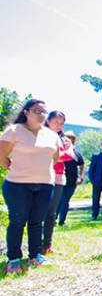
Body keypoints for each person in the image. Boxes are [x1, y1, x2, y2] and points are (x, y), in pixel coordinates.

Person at [0, 100, 61, 274]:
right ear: (26, 112)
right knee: (17, 222)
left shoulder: (51, 135)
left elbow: (54, 159)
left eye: (44, 111)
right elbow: (2, 155)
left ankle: (36, 255)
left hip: (44, 185)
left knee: (36, 222)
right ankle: (14, 258)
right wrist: (14, 166)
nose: (41, 114)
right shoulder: (14, 131)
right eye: (37, 110)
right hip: (18, 185)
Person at [42, 111, 74, 254]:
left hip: (58, 178)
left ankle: (46, 245)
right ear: (48, 121)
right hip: (39, 176)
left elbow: (68, 155)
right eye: (56, 122)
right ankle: (34, 245)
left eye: (62, 123)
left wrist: (51, 154)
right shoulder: (39, 135)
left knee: (51, 212)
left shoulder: (65, 140)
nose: (59, 125)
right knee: (37, 212)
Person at [57, 131, 85, 226]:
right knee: (58, 200)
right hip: (59, 180)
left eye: (72, 138)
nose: (70, 139)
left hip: (72, 181)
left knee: (65, 200)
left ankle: (61, 221)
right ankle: (53, 220)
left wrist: (81, 177)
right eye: (68, 137)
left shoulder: (76, 153)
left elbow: (82, 165)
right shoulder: (60, 150)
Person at [88, 141, 102, 220]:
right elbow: (91, 170)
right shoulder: (96, 156)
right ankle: (94, 215)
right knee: (96, 198)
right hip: (97, 181)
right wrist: (93, 181)